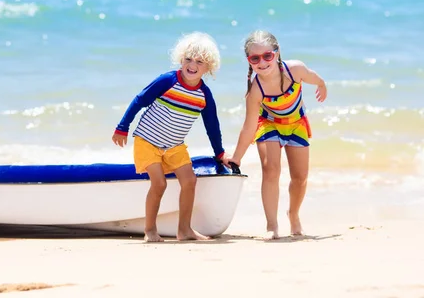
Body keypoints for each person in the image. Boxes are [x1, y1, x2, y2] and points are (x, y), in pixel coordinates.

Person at [112, 31, 229, 242]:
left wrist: (219, 152)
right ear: (181, 59)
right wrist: (123, 126)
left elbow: (212, 125)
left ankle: (184, 230)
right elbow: (140, 100)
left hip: (174, 145)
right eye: (188, 59)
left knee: (190, 181)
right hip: (147, 140)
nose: (192, 65)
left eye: (199, 61)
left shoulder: (204, 95)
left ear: (208, 67)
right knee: (159, 183)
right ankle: (150, 230)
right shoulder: (168, 80)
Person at [229, 30, 327, 239]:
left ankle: (293, 214)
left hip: (296, 124)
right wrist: (236, 158)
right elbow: (248, 127)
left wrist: (322, 84)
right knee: (270, 169)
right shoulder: (256, 90)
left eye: (267, 56)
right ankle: (271, 225)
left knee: (300, 178)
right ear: (249, 61)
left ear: (277, 52)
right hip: (269, 124)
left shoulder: (295, 70)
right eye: (255, 58)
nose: (262, 62)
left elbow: (314, 76)